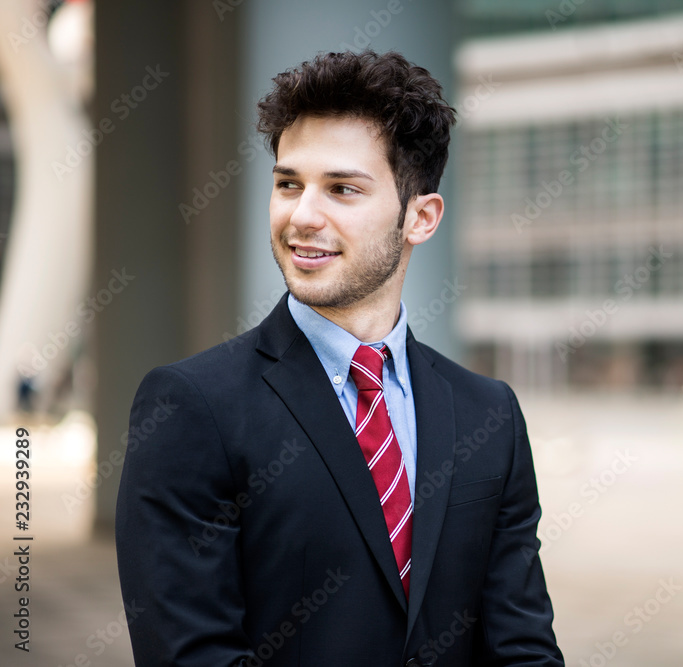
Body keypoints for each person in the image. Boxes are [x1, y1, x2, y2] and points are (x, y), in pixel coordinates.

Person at [115, 50, 563, 667]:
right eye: (288, 183)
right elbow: (191, 655)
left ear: (421, 217)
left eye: (342, 189)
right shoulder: (193, 407)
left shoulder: (490, 415)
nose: (302, 215)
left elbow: (523, 647)